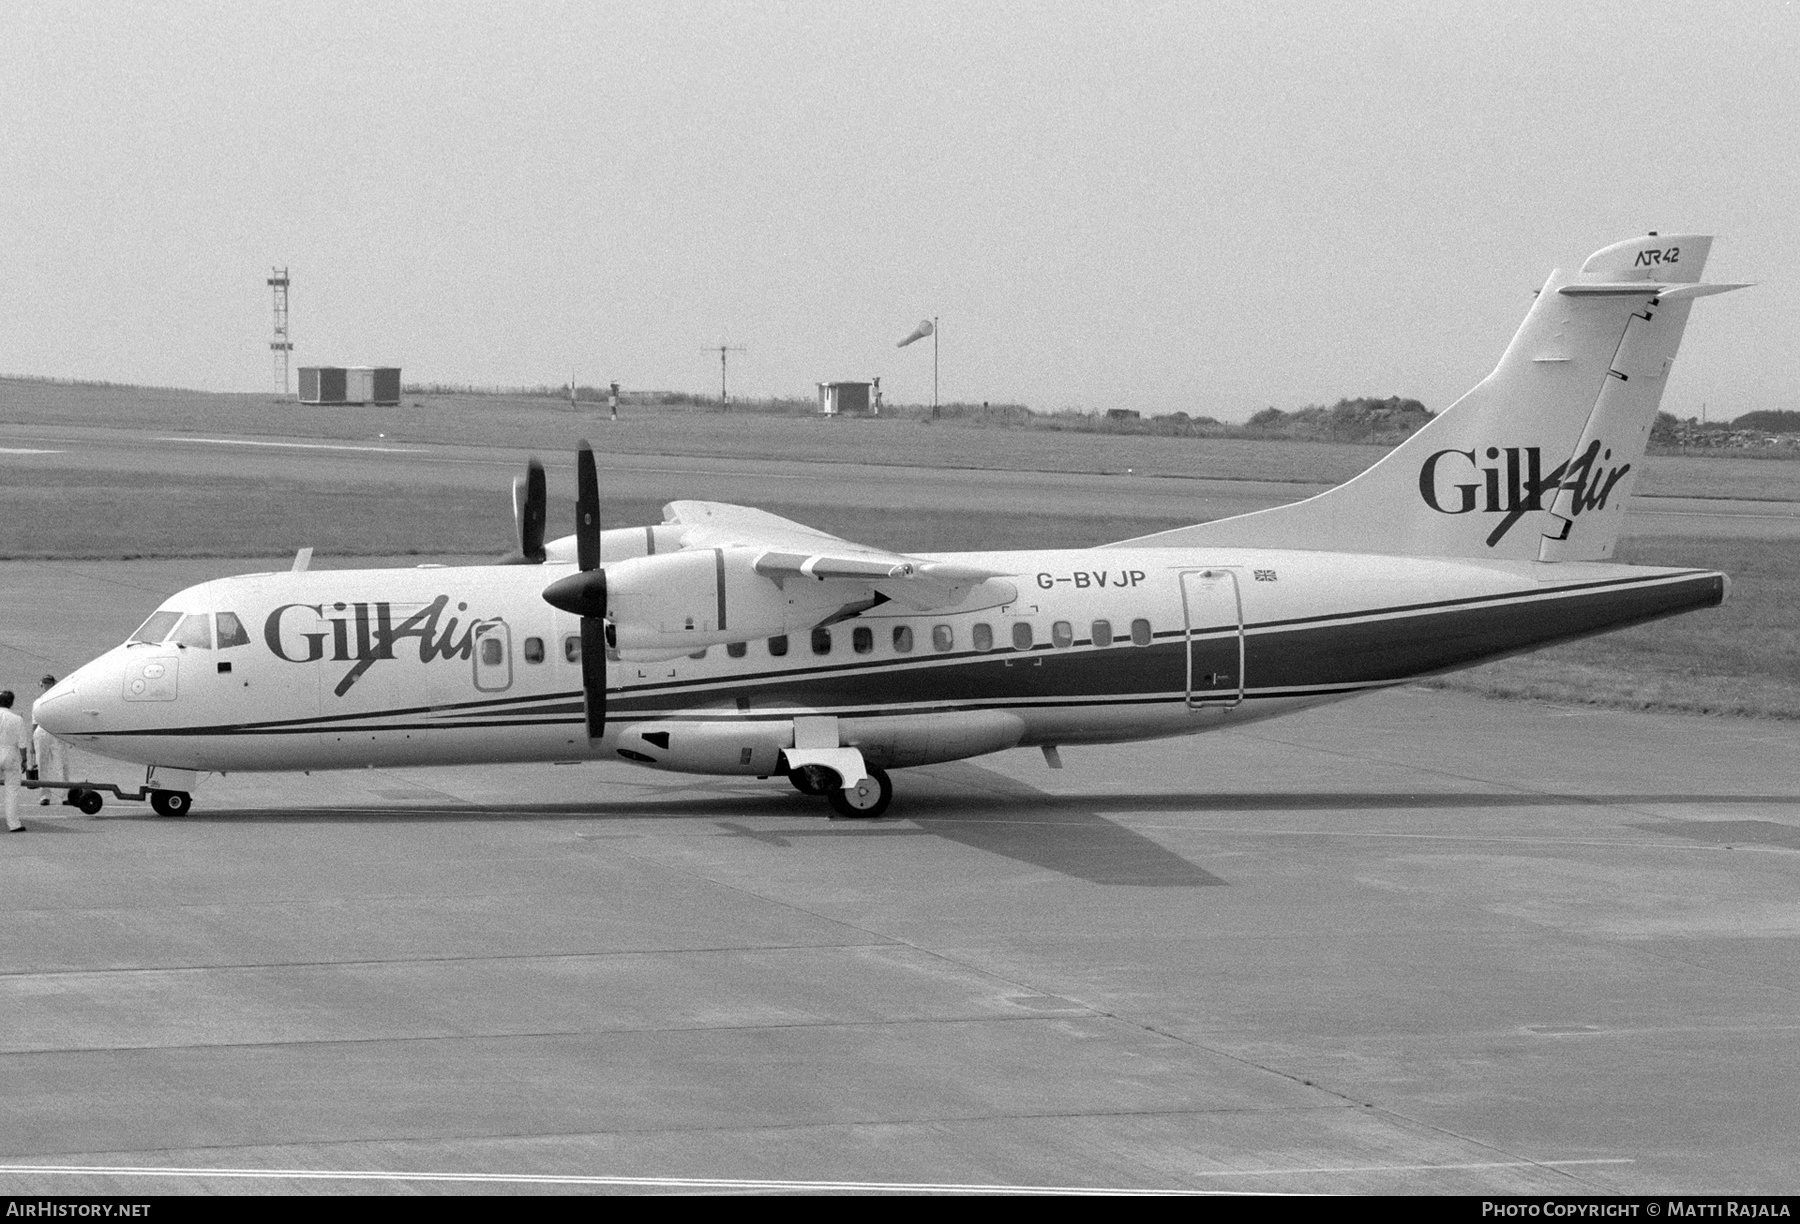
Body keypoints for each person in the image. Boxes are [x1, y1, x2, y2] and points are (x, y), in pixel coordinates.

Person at [31, 675, 69, 806]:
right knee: (42, 764)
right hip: (41, 732)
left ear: (54, 684)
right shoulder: (37, 702)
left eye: (49, 683)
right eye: (44, 683)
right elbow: (34, 724)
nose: (46, 685)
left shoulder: (60, 699)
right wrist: (32, 742)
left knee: (62, 765)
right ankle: (44, 796)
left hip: (56, 732)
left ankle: (65, 796)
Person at [0, 691, 28, 832]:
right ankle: (14, 824)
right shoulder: (17, 719)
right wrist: (24, 760)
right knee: (12, 790)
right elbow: (22, 743)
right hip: (10, 753)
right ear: (11, 702)